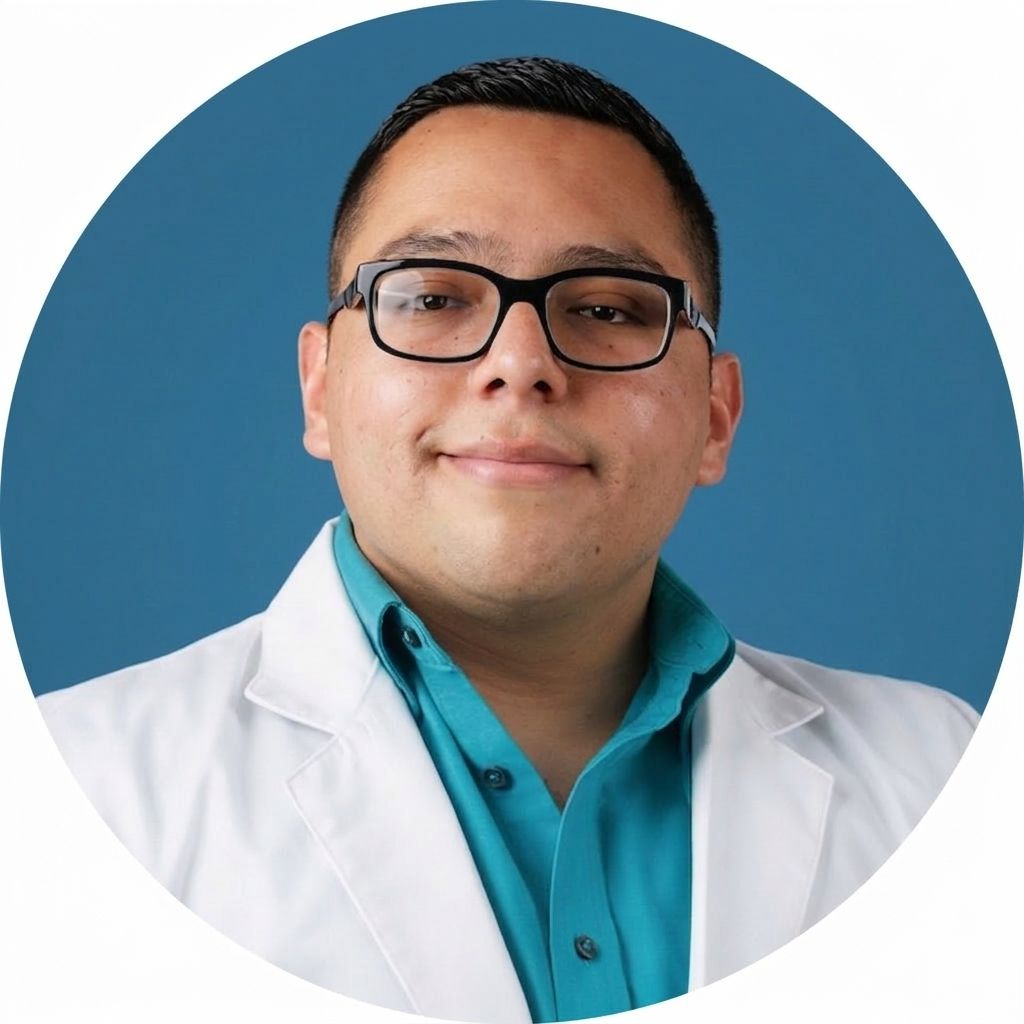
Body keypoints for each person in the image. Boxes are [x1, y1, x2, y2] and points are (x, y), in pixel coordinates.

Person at [37, 57, 978, 1024]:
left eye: (607, 308)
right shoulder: (63, 793)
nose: (520, 364)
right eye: (434, 298)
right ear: (319, 389)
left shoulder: (946, 778)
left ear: (714, 416)